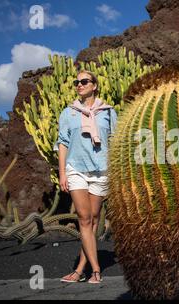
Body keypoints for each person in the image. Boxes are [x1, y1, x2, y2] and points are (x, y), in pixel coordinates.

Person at [53, 70, 117, 284]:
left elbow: (115, 142)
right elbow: (62, 143)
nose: (79, 85)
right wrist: (62, 172)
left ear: (94, 85)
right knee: (84, 217)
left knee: (92, 221)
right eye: (76, 82)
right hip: (76, 169)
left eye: (84, 81)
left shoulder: (108, 113)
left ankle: (79, 269)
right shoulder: (68, 113)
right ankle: (96, 269)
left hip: (101, 170)